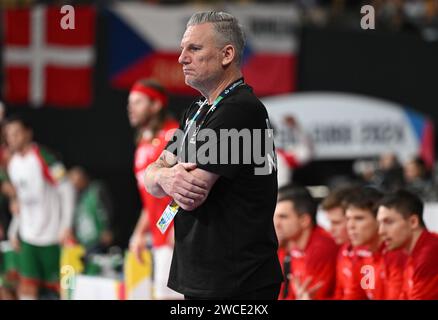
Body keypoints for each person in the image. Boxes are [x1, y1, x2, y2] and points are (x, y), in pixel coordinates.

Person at [144, 11, 282, 299]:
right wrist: (163, 175)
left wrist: (162, 175)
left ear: (227, 54)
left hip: (236, 280)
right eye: (183, 48)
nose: (182, 58)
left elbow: (191, 192)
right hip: (205, 276)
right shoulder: (198, 110)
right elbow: (152, 177)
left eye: (194, 48)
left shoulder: (239, 109)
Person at [4, 115, 75, 299]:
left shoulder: (44, 157)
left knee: (63, 288)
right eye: (9, 135)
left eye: (16, 133)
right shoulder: (12, 164)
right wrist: (14, 229)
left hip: (52, 237)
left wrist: (65, 226)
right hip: (28, 237)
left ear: (28, 133)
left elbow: (67, 189)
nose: (12, 138)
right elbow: (20, 200)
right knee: (27, 288)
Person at [126, 79, 182, 299]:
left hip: (176, 238)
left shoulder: (174, 136)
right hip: (159, 237)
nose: (131, 107)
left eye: (138, 102)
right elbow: (150, 199)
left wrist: (176, 226)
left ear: (156, 105)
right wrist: (140, 233)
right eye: (130, 102)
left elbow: (186, 188)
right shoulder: (143, 143)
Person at [340, 187, 406, 300]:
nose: (350, 226)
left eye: (359, 218)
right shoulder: (360, 254)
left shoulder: (397, 254)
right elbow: (356, 296)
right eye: (348, 219)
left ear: (379, 220)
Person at [274, 186, 338, 300]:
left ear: (304, 221)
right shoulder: (286, 244)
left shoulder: (321, 247)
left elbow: (314, 297)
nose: (276, 224)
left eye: (283, 217)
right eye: (275, 217)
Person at [377, 189, 438, 299]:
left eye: (388, 222)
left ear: (413, 222)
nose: (381, 231)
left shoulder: (429, 254)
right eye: (380, 224)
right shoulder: (413, 252)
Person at [68, 166, 113, 254]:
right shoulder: (74, 195)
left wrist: (108, 229)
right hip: (82, 240)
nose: (75, 183)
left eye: (78, 179)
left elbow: (107, 208)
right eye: (72, 180)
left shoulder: (96, 189)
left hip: (98, 238)